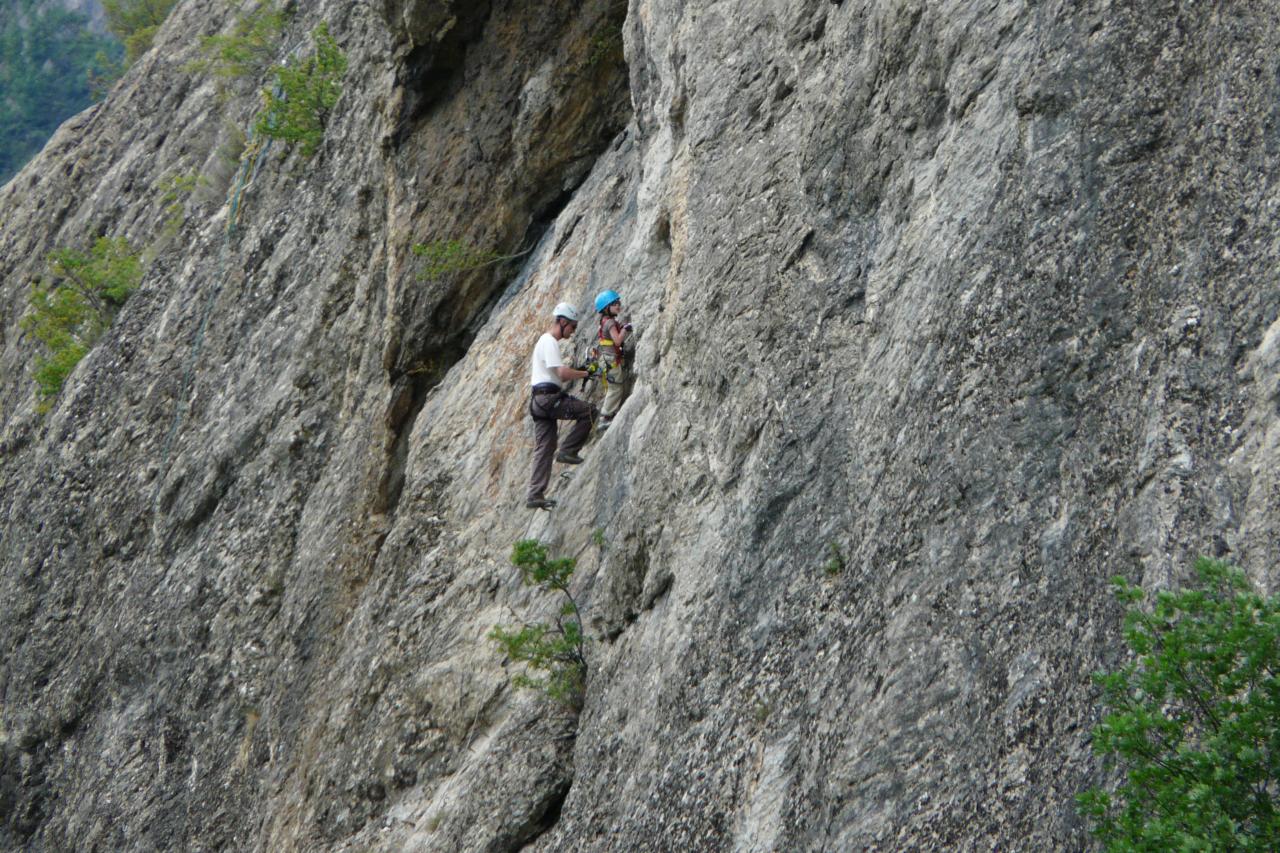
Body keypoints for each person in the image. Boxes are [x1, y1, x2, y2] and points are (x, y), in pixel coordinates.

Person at [526, 302, 597, 510]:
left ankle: (535, 494)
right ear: (563, 321)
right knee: (589, 411)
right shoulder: (549, 341)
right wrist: (586, 373)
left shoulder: (543, 342)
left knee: (545, 447)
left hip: (538, 402)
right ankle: (568, 450)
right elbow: (563, 374)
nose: (573, 331)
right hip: (548, 398)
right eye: (573, 327)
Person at [593, 289, 633, 430]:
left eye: (618, 302)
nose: (618, 305)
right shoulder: (609, 322)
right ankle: (605, 416)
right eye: (614, 303)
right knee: (615, 387)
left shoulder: (605, 321)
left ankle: (609, 413)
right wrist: (626, 329)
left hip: (607, 358)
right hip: (611, 360)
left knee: (614, 386)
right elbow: (617, 341)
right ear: (606, 308)